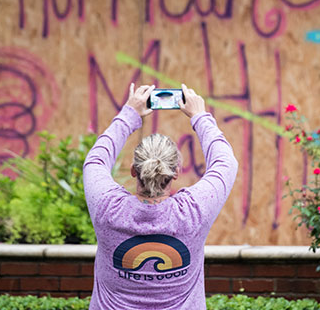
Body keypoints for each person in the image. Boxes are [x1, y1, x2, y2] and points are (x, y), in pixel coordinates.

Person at [83, 83, 238, 310]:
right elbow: (225, 162)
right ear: (176, 172)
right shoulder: (194, 211)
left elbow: (95, 161)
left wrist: (129, 114)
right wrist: (200, 116)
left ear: (134, 170)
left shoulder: (107, 208)